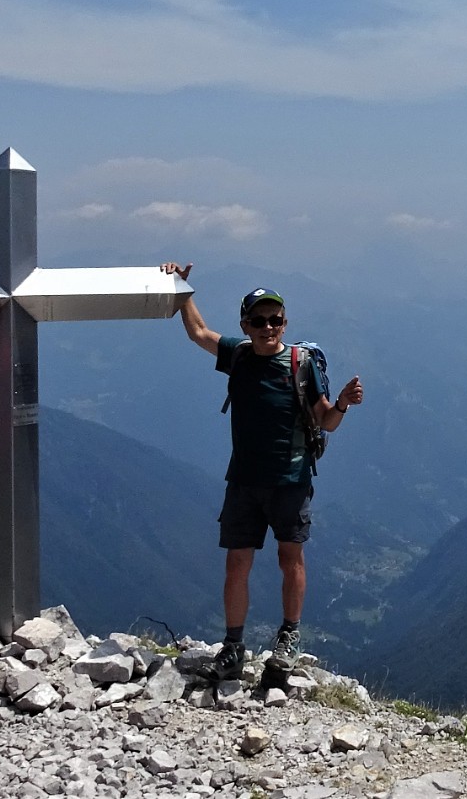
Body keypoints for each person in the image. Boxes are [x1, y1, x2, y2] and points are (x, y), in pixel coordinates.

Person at [160, 262, 363, 682]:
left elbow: (325, 421)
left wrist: (341, 403)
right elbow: (199, 332)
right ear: (246, 324)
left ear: (285, 323)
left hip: (291, 479)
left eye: (275, 320)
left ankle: (287, 640)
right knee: (238, 563)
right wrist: (181, 287)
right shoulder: (238, 355)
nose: (268, 326)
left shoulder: (300, 365)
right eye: (259, 320)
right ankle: (234, 647)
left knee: (291, 558)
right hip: (245, 480)